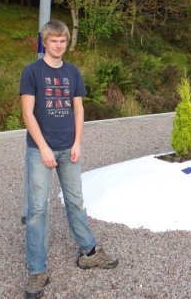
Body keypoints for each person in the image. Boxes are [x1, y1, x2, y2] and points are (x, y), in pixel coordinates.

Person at [20, 19, 118, 299]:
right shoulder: (32, 72)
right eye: (53, 41)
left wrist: (77, 142)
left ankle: (88, 252)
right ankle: (37, 271)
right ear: (45, 42)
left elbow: (78, 109)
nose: (58, 45)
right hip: (40, 150)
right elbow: (28, 114)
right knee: (38, 210)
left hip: (69, 149)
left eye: (62, 41)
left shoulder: (73, 73)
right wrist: (44, 148)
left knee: (76, 201)